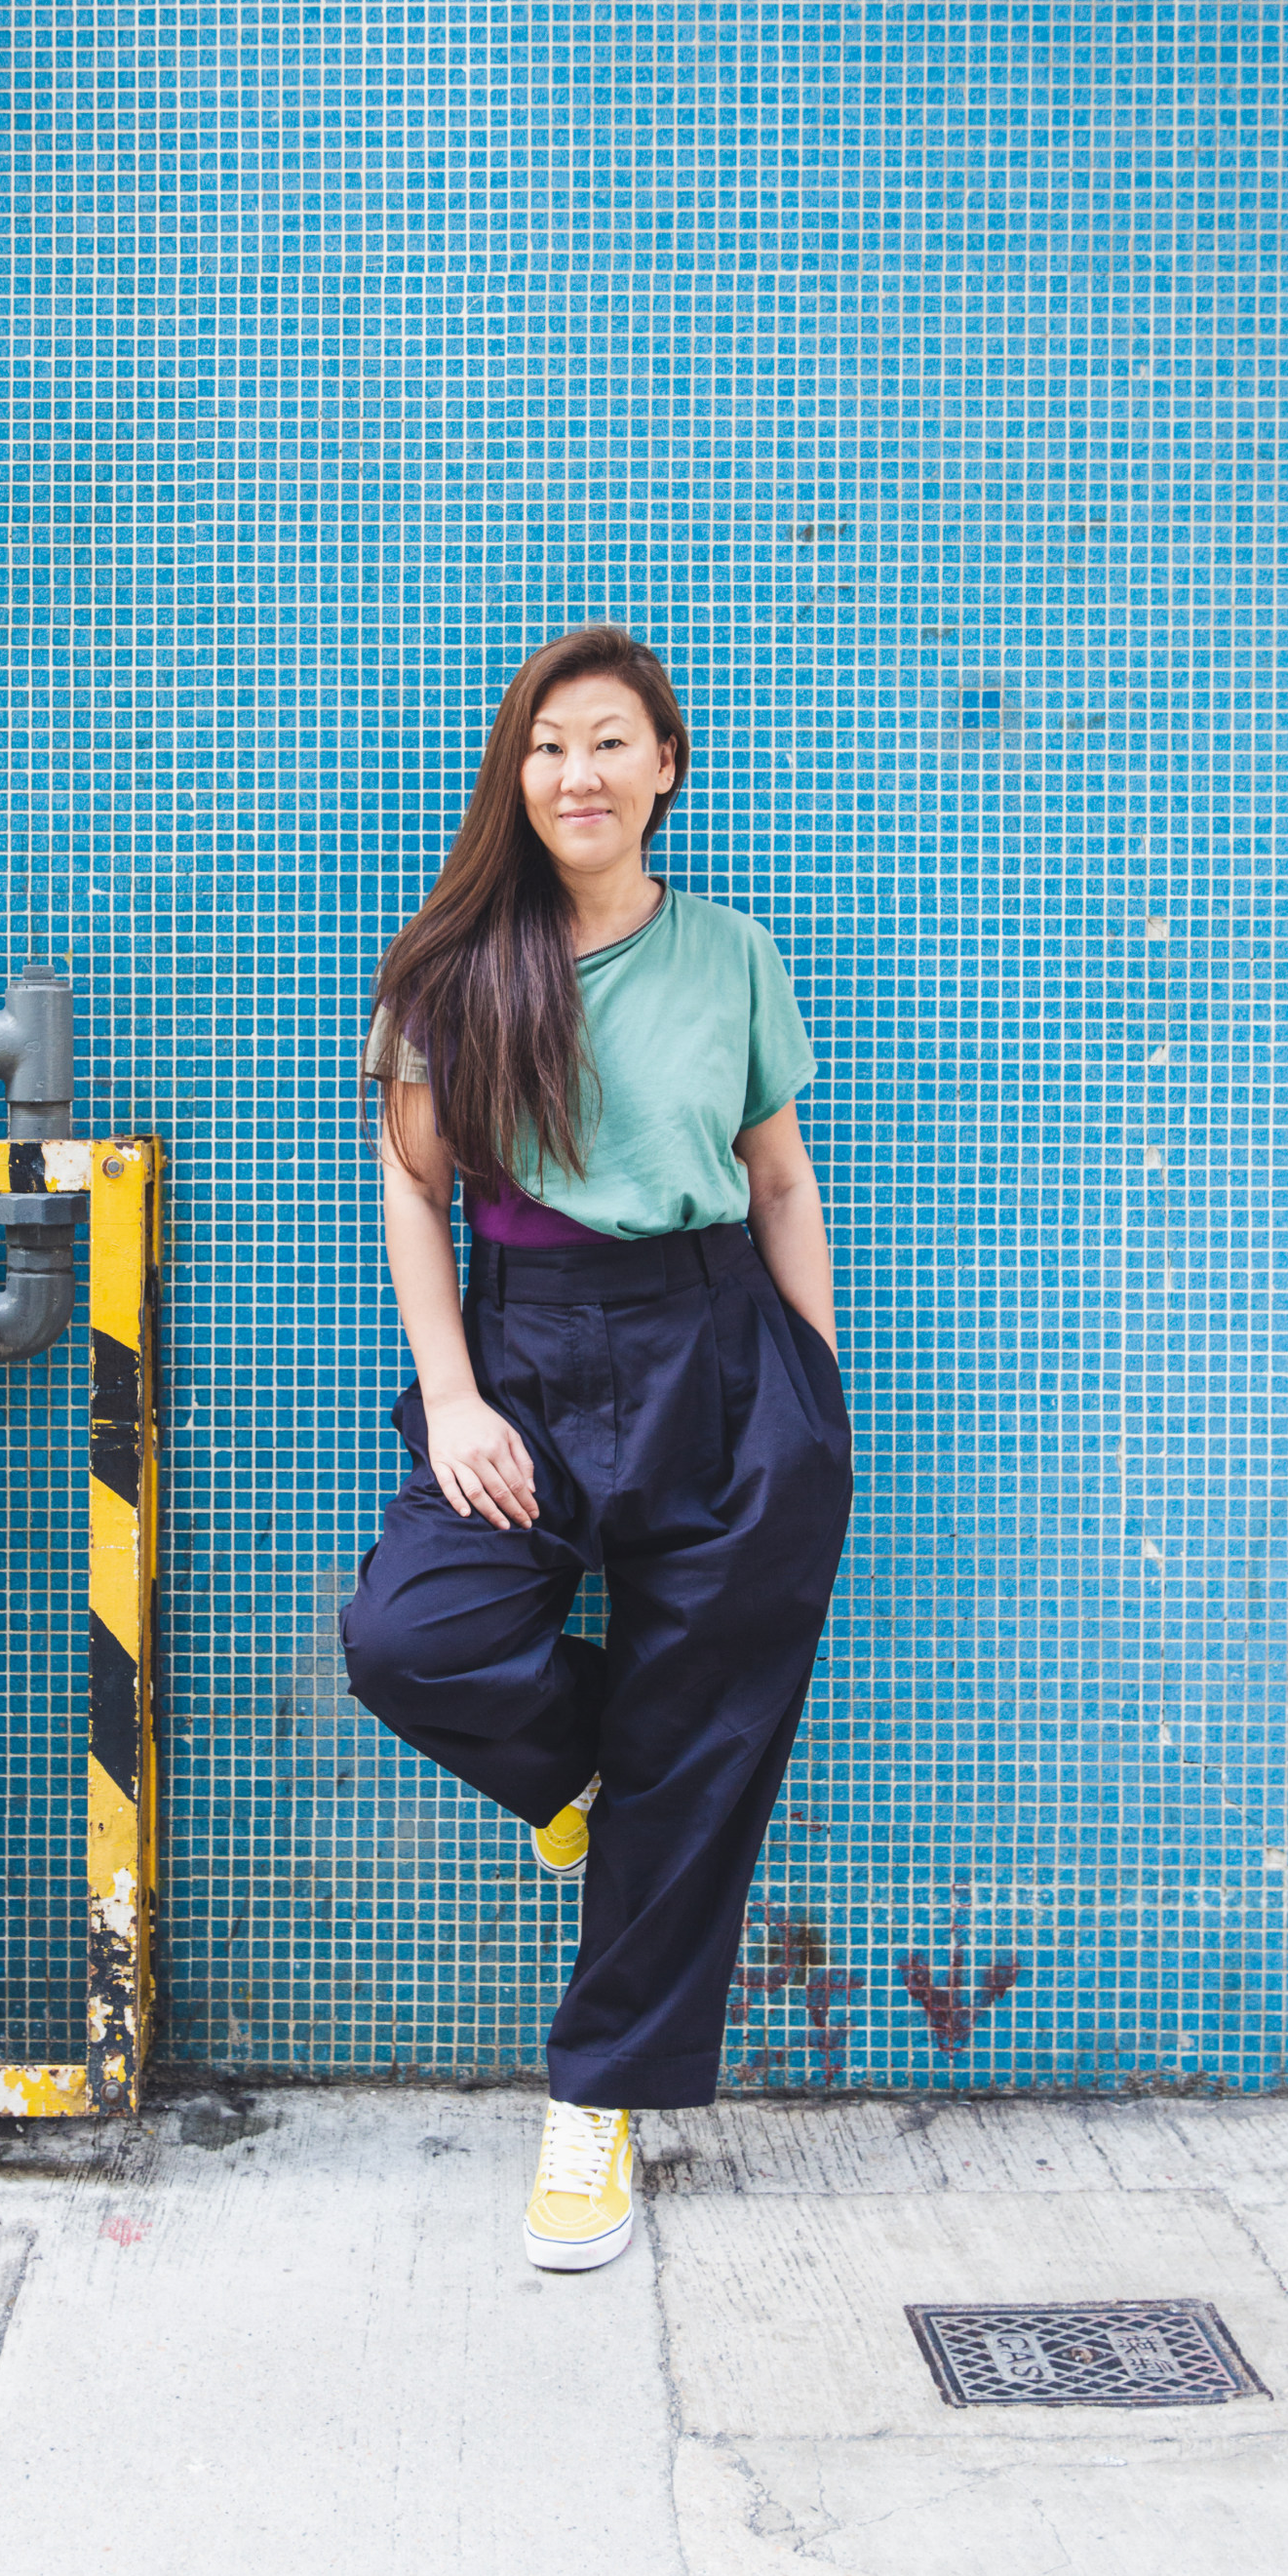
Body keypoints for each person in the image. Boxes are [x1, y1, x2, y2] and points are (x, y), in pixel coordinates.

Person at [343, 622, 853, 2271]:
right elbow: (416, 1191)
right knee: (409, 1636)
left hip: (721, 1349)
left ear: (665, 771)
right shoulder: (456, 966)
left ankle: (595, 2112)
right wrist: (461, 1391)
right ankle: (577, 1779)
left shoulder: (733, 957)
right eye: (550, 743)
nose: (579, 771)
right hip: (531, 1352)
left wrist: (809, 1394)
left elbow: (778, 1180)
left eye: (611, 740)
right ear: (520, 773)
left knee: (700, 1745)